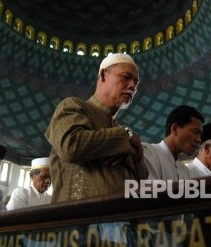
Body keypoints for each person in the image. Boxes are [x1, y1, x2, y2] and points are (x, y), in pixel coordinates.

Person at [45, 53, 148, 203]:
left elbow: (141, 176)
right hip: (78, 221)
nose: (133, 86)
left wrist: (123, 150)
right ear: (103, 75)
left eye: (136, 83)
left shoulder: (120, 129)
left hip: (123, 221)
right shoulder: (73, 106)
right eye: (126, 77)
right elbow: (72, 146)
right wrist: (125, 137)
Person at [143, 105, 204, 181]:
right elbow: (151, 191)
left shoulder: (184, 170)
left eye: (200, 135)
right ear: (174, 129)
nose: (198, 140)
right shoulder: (148, 152)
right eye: (195, 132)